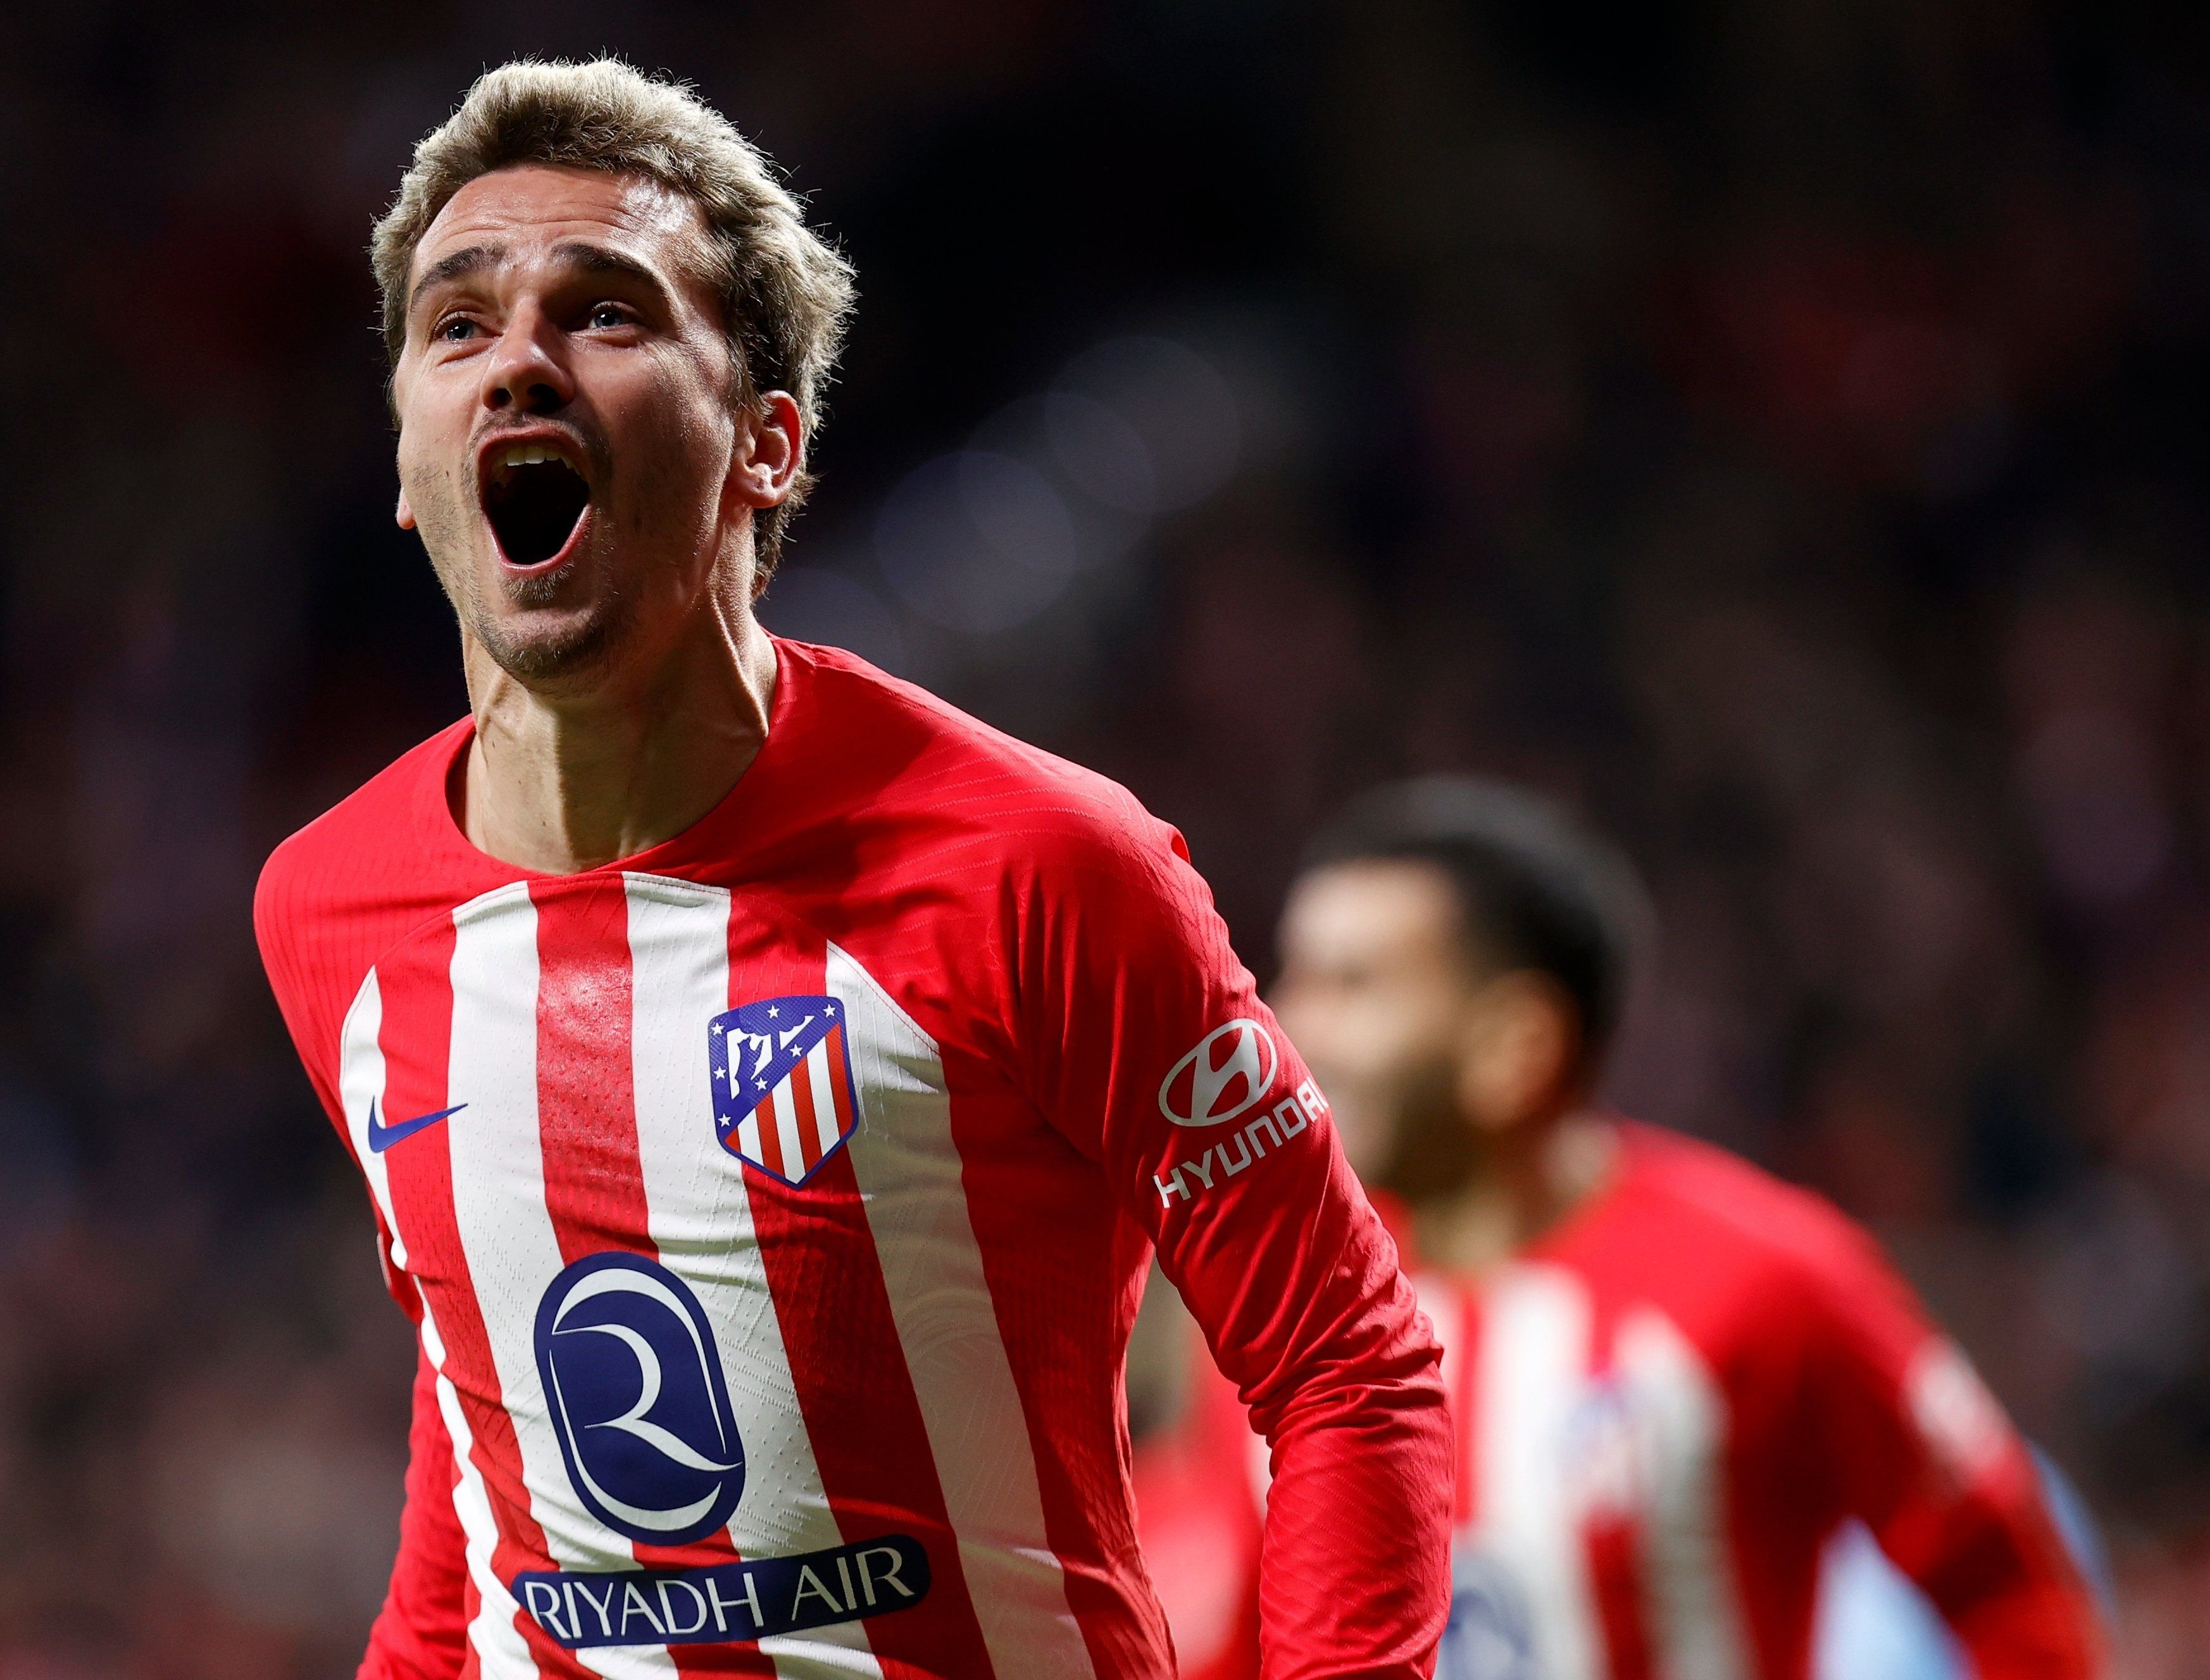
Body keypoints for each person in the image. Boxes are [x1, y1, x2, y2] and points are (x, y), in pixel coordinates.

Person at [253, 59, 1451, 1680]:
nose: (520, 357)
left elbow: (1349, 1363)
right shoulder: (326, 906)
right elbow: (477, 1424)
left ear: (766, 444)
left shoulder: (1042, 864)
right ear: (407, 466)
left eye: (604, 311)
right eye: (457, 323)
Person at [1133, 776, 2102, 1679]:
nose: (1287, 1033)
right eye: (1291, 982)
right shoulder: (1276, 1310)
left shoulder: (1768, 1277)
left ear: (1515, 1047)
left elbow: (2009, 1586)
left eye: (1354, 988)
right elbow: (1229, 1633)